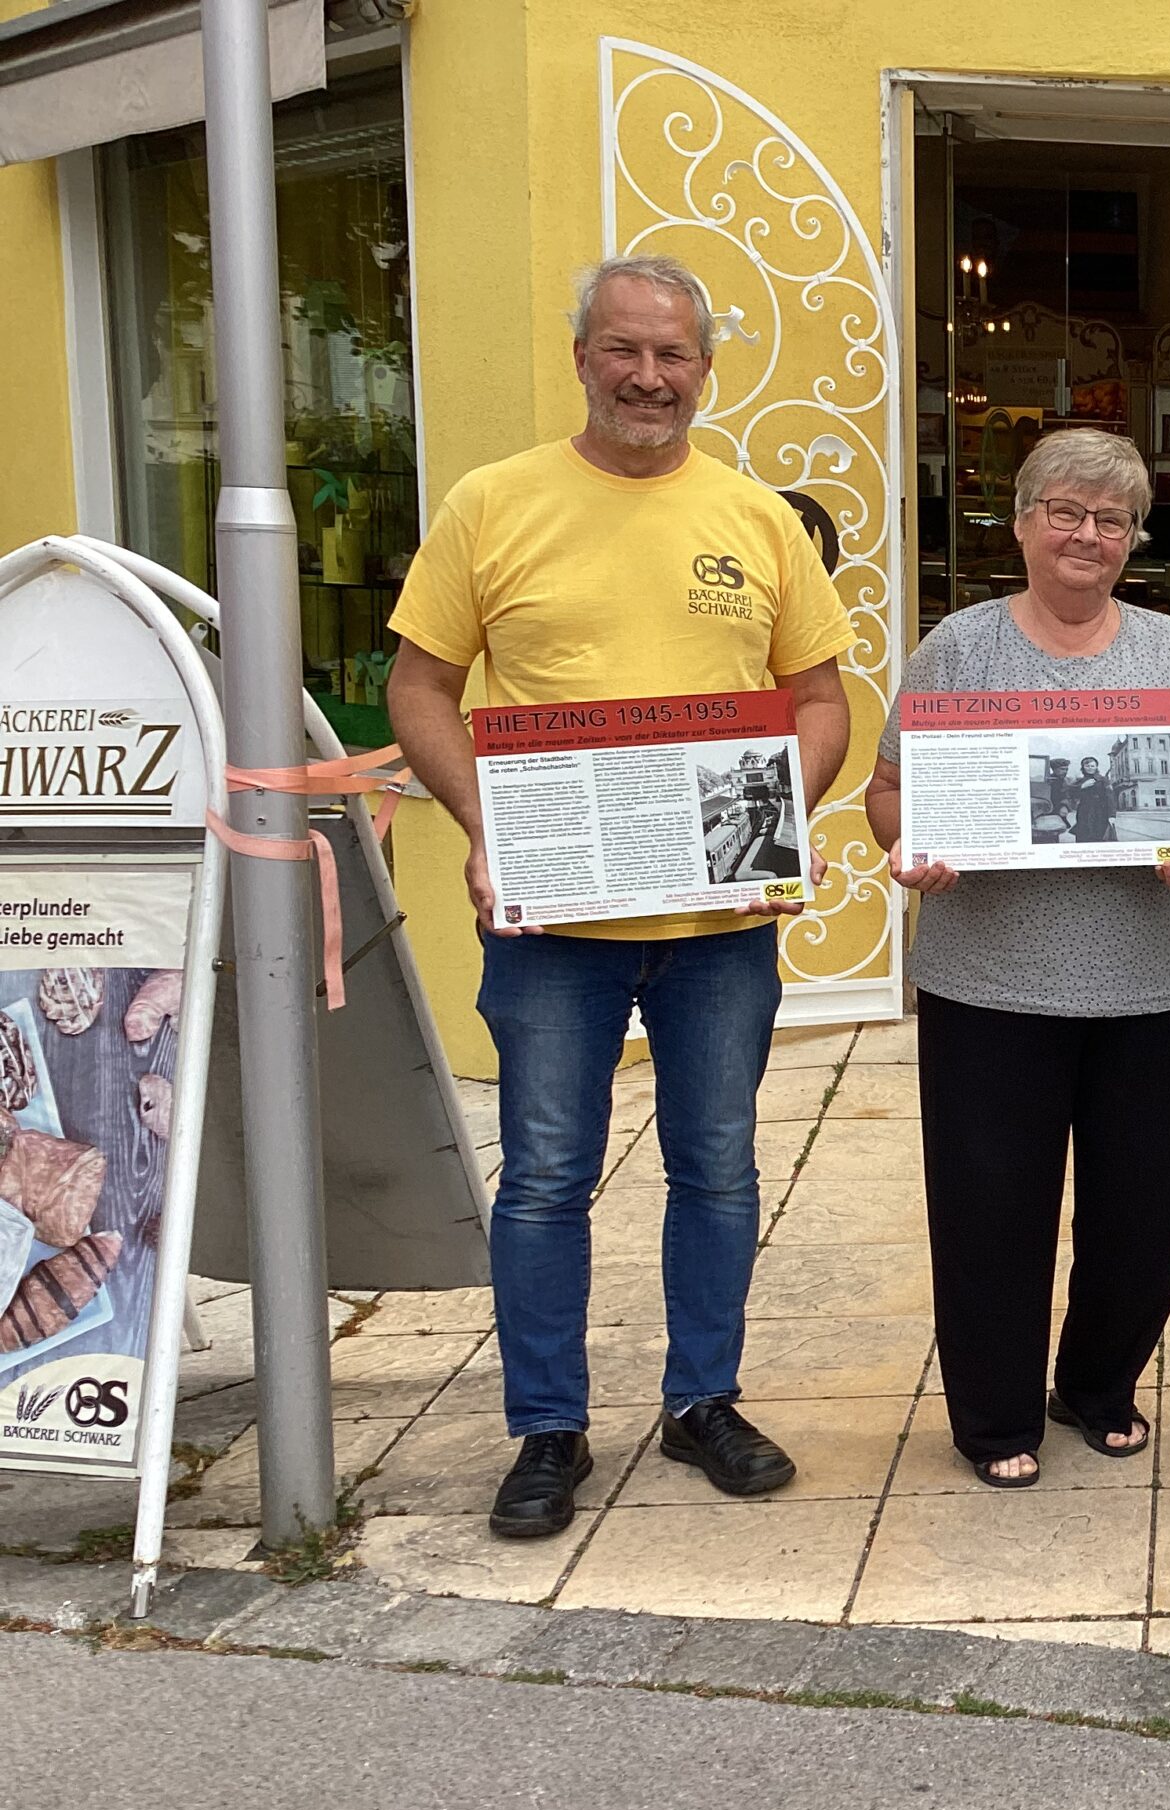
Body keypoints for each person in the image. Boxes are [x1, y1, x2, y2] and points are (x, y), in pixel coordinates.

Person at [386, 254, 852, 1538]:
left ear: (706, 368)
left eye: (674, 354)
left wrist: (782, 817)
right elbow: (419, 687)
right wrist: (484, 825)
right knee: (545, 1179)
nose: (650, 376)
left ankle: (702, 1401)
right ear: (582, 355)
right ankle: (548, 1427)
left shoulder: (755, 518)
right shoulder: (494, 504)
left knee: (717, 1168)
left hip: (716, 928)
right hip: (555, 921)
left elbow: (820, 702)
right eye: (625, 350)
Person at [865, 429, 1170, 1487]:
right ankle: (995, 1416)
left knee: (1144, 1207)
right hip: (990, 982)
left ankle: (1097, 1384)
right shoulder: (959, 648)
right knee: (989, 1208)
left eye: (1112, 519)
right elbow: (889, 791)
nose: (1088, 535)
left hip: (1152, 982)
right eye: (1067, 512)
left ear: (1132, 538)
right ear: (1023, 523)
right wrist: (912, 845)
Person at [1070, 756, 1115, 842]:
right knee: (1083, 837)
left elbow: (1110, 798)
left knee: (1099, 837)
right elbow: (1071, 795)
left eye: (1092, 766)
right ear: (1083, 767)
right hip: (1083, 812)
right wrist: (1082, 786)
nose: (1090, 768)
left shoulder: (1103, 780)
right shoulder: (1080, 781)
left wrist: (1111, 815)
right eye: (1087, 766)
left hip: (1100, 813)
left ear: (1096, 767)